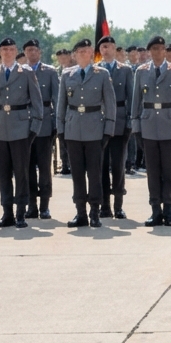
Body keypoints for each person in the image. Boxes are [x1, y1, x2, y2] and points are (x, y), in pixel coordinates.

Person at [130, 35, 171, 227]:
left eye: (160, 48)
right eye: (154, 49)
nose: (157, 52)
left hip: (170, 126)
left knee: (169, 170)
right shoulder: (141, 72)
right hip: (148, 126)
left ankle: (169, 210)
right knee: (153, 171)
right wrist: (136, 128)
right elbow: (136, 103)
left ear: (165, 51)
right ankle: (155, 209)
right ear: (149, 52)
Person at [56, 39, 117, 228]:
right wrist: (61, 130)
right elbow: (61, 105)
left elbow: (110, 104)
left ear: (92, 53)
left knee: (95, 173)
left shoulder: (102, 74)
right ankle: (80, 212)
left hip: (94, 129)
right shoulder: (67, 75)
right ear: (74, 55)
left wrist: (108, 130)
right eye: (79, 51)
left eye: (86, 51)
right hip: (73, 129)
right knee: (77, 174)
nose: (83, 54)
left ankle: (95, 212)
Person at [0, 37, 44, 227]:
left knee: (22, 171)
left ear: (16, 51)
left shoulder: (25, 72)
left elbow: (37, 101)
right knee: (3, 172)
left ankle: (20, 213)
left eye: (10, 49)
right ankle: (7, 212)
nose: (7, 52)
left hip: (21, 127)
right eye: (4, 49)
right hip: (0, 128)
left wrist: (34, 127)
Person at [96, 36, 134, 220]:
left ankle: (118, 205)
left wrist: (130, 122)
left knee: (118, 165)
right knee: (101, 165)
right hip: (100, 122)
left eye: (109, 46)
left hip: (119, 120)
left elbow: (131, 97)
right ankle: (104, 206)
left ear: (115, 48)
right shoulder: (95, 70)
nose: (106, 49)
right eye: (103, 46)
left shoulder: (125, 70)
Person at [21, 39, 59, 219]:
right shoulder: (20, 71)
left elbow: (57, 100)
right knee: (27, 167)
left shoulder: (50, 72)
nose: (32, 53)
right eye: (29, 50)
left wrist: (56, 124)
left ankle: (44, 205)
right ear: (24, 53)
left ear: (40, 52)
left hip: (44, 122)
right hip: (24, 123)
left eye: (35, 50)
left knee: (44, 167)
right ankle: (31, 205)